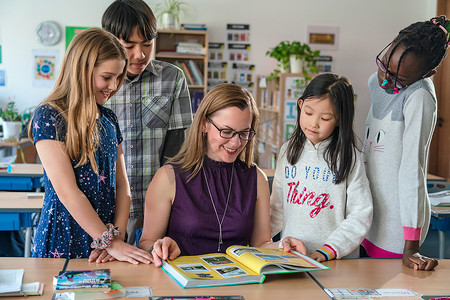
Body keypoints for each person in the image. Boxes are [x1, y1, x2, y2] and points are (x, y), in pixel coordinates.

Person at [138, 83, 306, 266]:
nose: (235, 143)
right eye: (226, 131)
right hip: (182, 285)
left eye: (244, 133)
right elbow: (146, 242)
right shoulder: (168, 177)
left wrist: (283, 245)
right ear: (204, 124)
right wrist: (158, 246)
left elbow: (260, 245)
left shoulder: (256, 179)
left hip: (238, 283)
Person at [29, 28, 152, 264]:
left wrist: (116, 236)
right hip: (62, 241)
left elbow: (123, 187)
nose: (114, 86)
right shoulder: (49, 116)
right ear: (81, 71)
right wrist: (109, 240)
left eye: (118, 77)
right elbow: (67, 191)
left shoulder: (109, 119)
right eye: (107, 77)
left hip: (106, 245)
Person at [102, 0, 193, 245]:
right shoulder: (99, 83)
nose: (139, 54)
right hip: (105, 208)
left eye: (147, 44)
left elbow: (176, 153)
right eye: (129, 45)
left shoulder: (172, 78)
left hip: (157, 208)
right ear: (110, 41)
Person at [362, 16, 450, 271]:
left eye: (399, 78)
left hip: (395, 228)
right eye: (385, 65)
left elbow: (413, 170)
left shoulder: (420, 98)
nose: (385, 81)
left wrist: (411, 246)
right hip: (367, 215)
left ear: (427, 74)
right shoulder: (376, 82)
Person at [271, 73, 373, 262]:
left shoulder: (349, 157)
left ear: (339, 119)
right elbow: (277, 207)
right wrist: (261, 244)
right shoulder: (288, 150)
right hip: (294, 258)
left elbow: (361, 214)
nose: (313, 123)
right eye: (308, 113)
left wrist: (329, 250)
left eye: (325, 118)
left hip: (337, 261)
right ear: (300, 105)